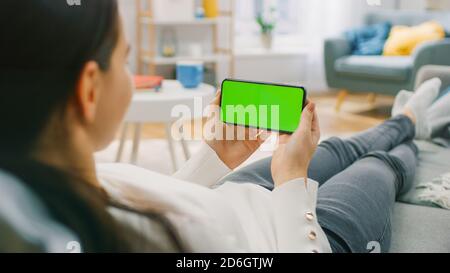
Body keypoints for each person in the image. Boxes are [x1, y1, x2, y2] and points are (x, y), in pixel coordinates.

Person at [1, 0, 449, 253]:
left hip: (234, 198)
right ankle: (416, 129)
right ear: (89, 89)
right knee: (378, 164)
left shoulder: (46, 181)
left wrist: (215, 158)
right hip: (303, 234)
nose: (128, 70)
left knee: (337, 149)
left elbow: (151, 210)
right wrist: (291, 180)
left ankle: (406, 117)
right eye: (124, 58)